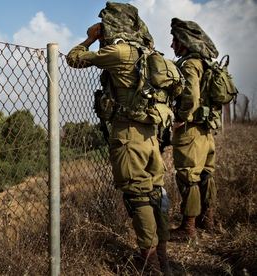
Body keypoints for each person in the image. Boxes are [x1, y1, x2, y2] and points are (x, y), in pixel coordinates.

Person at [66, 3, 172, 274]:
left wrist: (90, 38)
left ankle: (149, 262)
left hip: (128, 136)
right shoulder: (147, 52)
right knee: (154, 191)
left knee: (137, 196)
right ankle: (162, 254)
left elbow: (73, 58)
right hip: (150, 136)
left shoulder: (119, 52)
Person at [169, 18, 219, 241]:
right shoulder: (205, 62)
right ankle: (208, 221)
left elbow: (191, 97)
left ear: (184, 42)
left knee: (188, 177)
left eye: (175, 41)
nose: (172, 46)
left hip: (190, 131)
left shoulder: (190, 64)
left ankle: (188, 229)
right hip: (206, 131)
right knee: (206, 175)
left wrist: (180, 117)